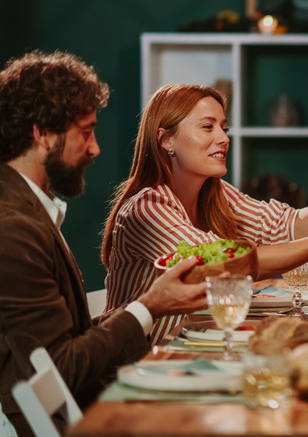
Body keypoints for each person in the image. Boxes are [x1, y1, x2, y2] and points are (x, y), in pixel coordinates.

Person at [0, 51, 209, 436]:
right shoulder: (13, 226)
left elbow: (68, 337)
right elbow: (63, 367)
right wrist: (148, 307)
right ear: (42, 133)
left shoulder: (27, 207)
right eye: (85, 131)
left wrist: (141, 309)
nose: (95, 148)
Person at [101, 84, 308, 344]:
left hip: (197, 348)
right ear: (166, 140)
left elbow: (286, 223)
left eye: (224, 128)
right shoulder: (148, 209)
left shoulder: (216, 194)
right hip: (143, 364)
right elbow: (231, 268)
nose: (223, 138)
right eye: (208, 127)